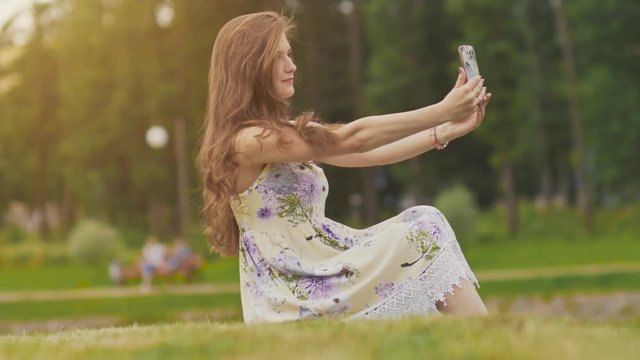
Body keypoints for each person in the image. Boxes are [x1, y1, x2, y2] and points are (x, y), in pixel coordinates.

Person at [196, 11, 492, 324]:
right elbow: (353, 138)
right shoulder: (249, 140)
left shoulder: (277, 132)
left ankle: (480, 335)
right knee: (424, 229)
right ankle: (485, 336)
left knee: (425, 221)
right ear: (250, 67)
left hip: (317, 269)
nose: (291, 66)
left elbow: (368, 154)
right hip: (293, 291)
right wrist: (440, 110)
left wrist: (442, 131)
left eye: (289, 54)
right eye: (278, 57)